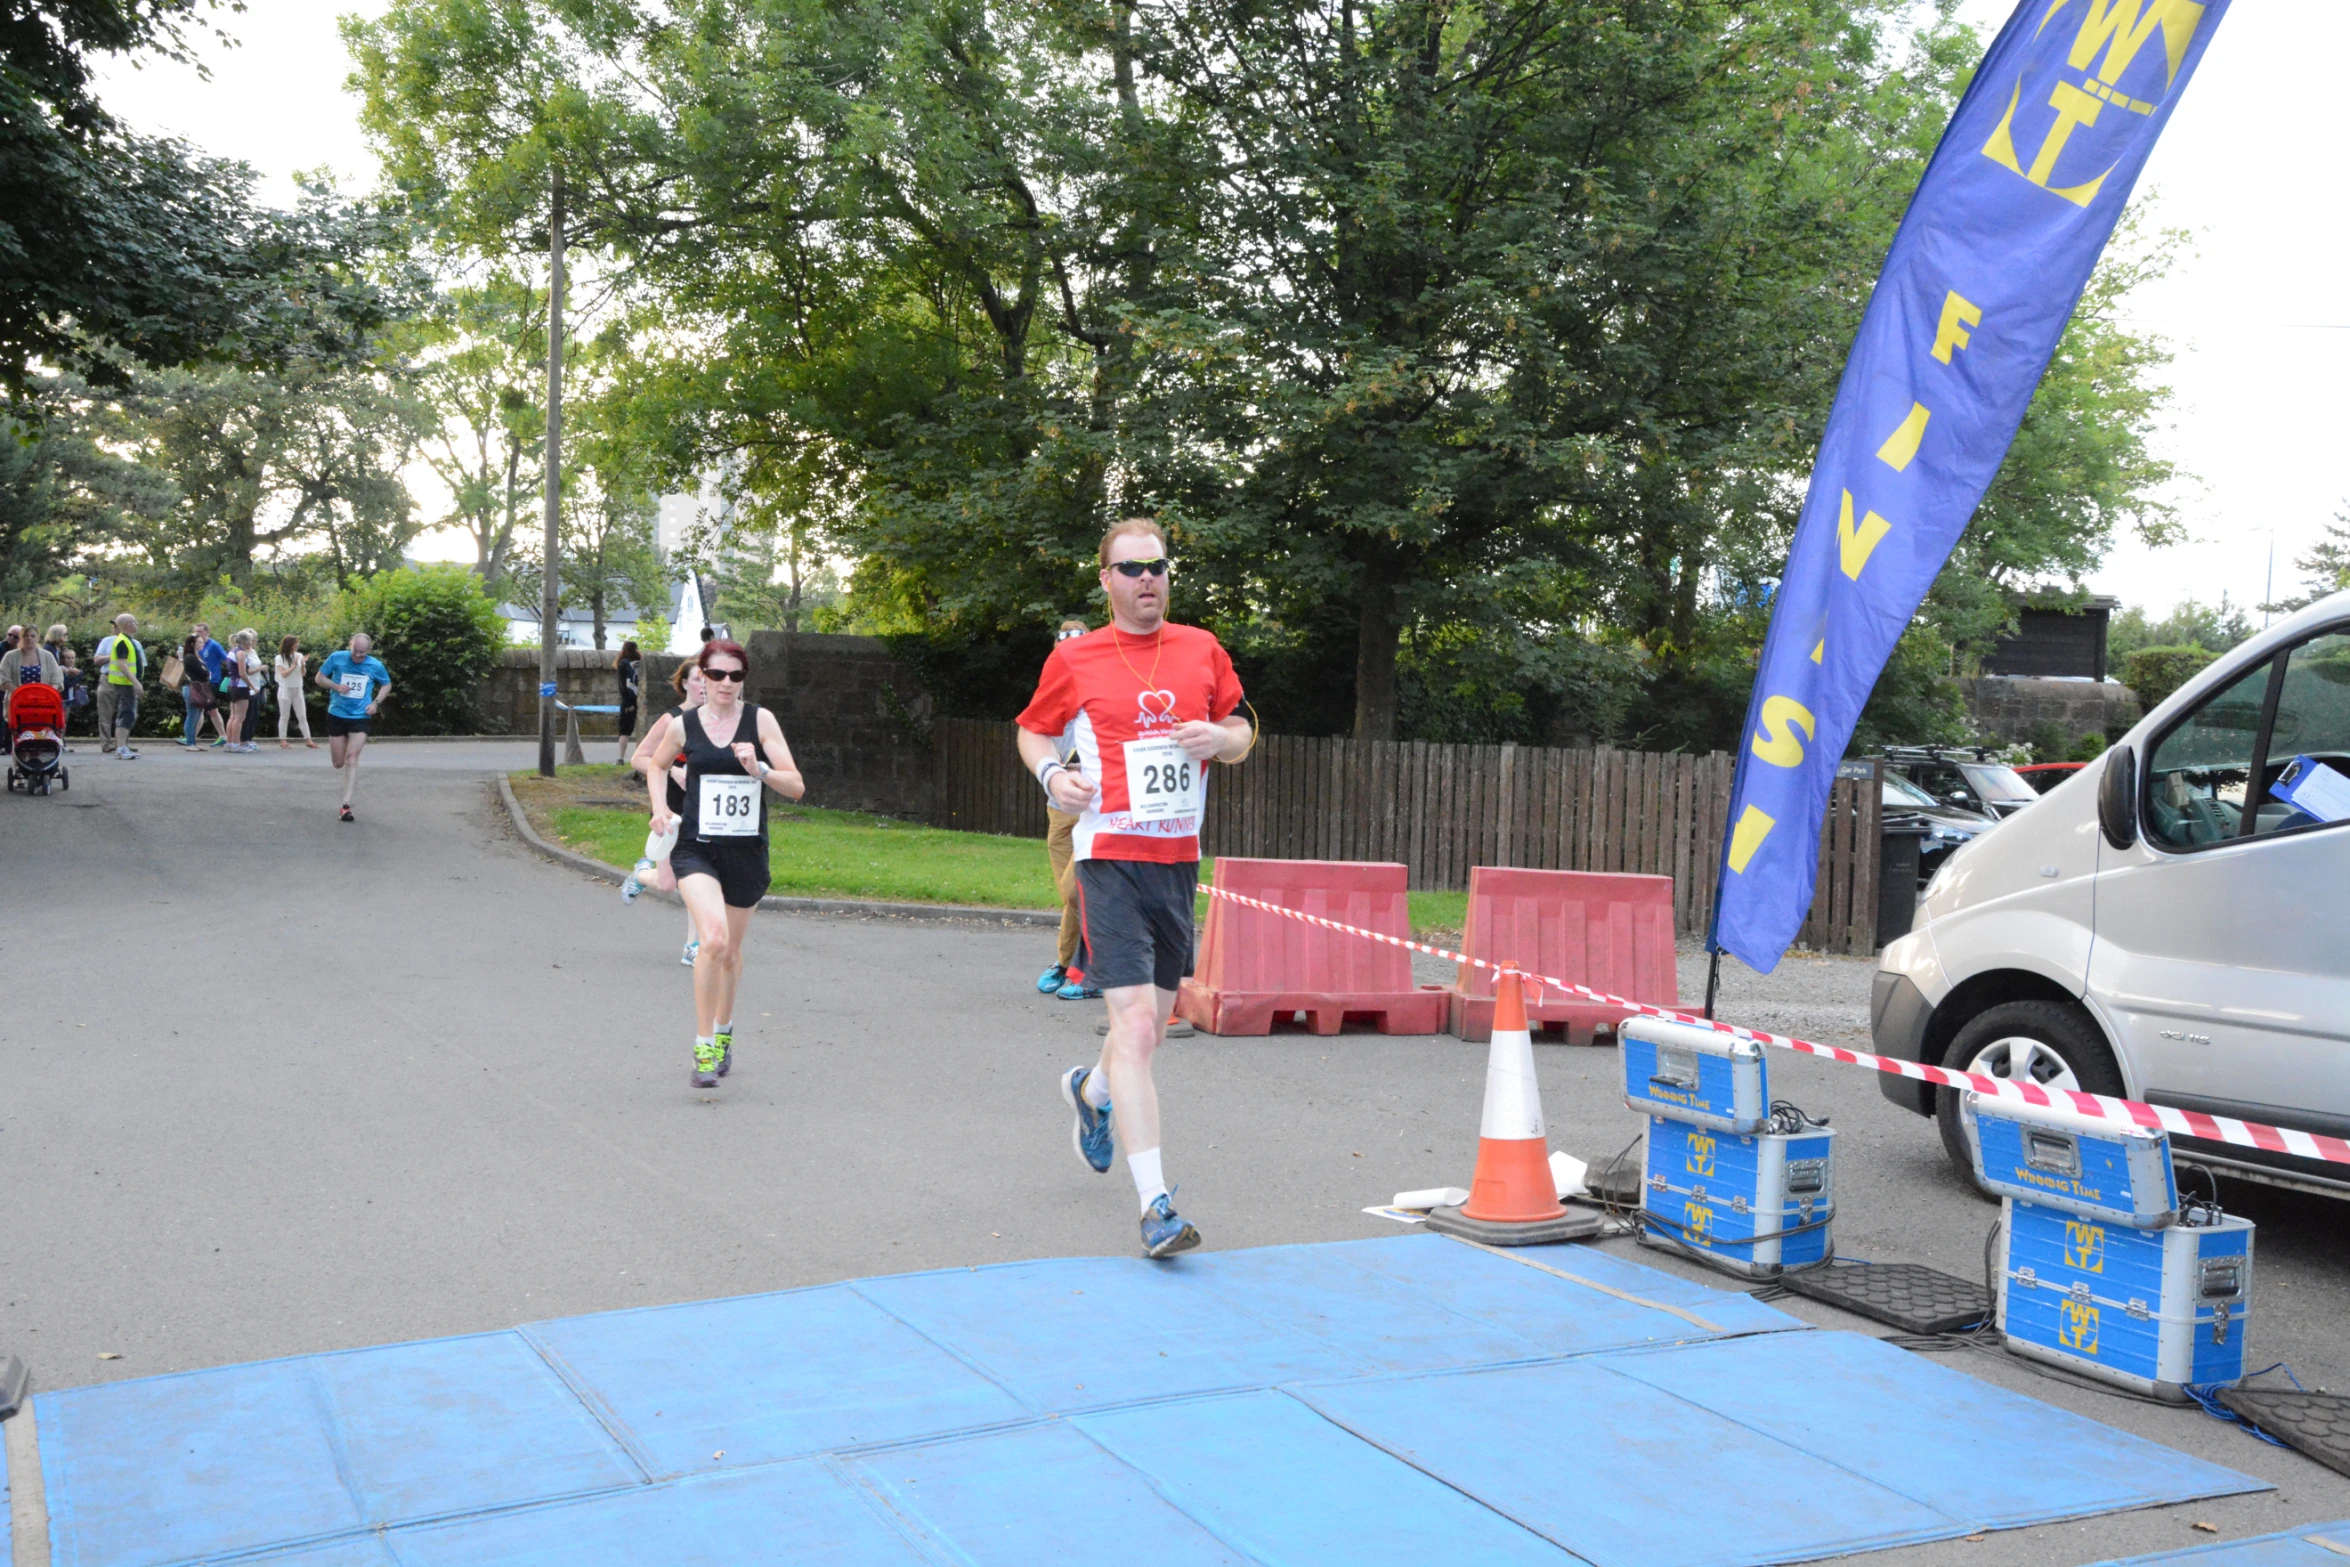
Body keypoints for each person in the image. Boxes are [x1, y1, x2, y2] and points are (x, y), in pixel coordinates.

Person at [1015, 518, 1252, 1258]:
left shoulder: (1201, 647)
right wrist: (1055, 775)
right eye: (1131, 568)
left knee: (1145, 1026)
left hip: (1177, 861)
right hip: (1108, 858)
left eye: (1157, 566)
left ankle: (1090, 1091)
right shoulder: (1078, 658)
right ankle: (1156, 1206)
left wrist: (1222, 740)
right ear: (1106, 580)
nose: (1147, 579)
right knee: (1140, 1031)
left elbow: (1243, 725)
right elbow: (1032, 730)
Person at [643, 639, 804, 1089]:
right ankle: (703, 1044)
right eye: (717, 675)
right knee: (711, 939)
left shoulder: (761, 721)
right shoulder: (684, 724)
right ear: (702, 678)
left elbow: (796, 787)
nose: (726, 684)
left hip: (746, 851)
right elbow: (655, 766)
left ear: (743, 679)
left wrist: (762, 771)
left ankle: (725, 1030)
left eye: (735, 676)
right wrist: (660, 808)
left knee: (731, 952)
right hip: (696, 847)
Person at [624, 660, 710, 967]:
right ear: (685, 684)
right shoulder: (671, 719)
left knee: (696, 876)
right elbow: (639, 759)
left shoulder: (715, 720)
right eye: (697, 680)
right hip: (669, 807)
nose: (704, 685)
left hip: (702, 811)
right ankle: (641, 874)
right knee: (669, 883)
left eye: (707, 680)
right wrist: (673, 770)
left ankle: (693, 945)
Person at [1036, 618, 1096, 1000]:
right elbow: (1038, 745)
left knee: (1078, 892)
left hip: (1093, 811)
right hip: (1058, 811)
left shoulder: (1103, 695)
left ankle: (1086, 971)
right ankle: (1069, 964)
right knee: (1070, 895)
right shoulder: (1050, 697)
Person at [316, 632, 392, 822]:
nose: (358, 656)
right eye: (355, 651)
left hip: (360, 716)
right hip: (337, 714)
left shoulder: (375, 665)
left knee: (351, 759)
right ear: (350, 646)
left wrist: (375, 703)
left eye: (362, 653)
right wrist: (335, 686)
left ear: (369, 650)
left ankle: (345, 804)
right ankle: (345, 799)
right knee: (338, 763)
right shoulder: (337, 658)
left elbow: (386, 685)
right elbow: (319, 678)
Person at [94, 614, 145, 759]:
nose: (137, 624)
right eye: (134, 622)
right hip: (124, 683)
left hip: (125, 682)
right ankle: (121, 748)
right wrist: (136, 683)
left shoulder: (128, 641)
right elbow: (122, 664)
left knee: (127, 713)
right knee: (125, 713)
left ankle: (122, 746)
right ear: (128, 625)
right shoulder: (123, 641)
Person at [192, 622, 234, 749]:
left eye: (200, 631)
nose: (197, 634)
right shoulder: (197, 646)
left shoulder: (214, 645)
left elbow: (226, 659)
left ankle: (192, 737)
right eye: (195, 631)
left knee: (206, 709)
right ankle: (221, 736)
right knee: (208, 710)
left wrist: (228, 677)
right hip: (201, 682)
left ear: (207, 632)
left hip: (211, 681)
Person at [218, 629, 262, 753]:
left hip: (232, 686)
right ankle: (237, 744)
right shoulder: (241, 653)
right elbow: (243, 673)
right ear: (245, 642)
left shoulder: (233, 651)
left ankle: (230, 743)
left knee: (233, 717)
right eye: (250, 641)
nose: (252, 643)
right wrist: (252, 686)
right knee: (239, 718)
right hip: (240, 687)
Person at [177, 632, 217, 747]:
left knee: (196, 715)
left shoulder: (197, 657)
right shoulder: (190, 658)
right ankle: (190, 743)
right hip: (192, 688)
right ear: (193, 643)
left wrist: (206, 672)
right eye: (200, 642)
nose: (202, 644)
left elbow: (205, 672)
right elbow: (204, 673)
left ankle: (192, 742)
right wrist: (206, 672)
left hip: (198, 688)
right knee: (192, 716)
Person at [275, 635, 316, 749]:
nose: (297, 645)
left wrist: (302, 664)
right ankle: (283, 740)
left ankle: (308, 740)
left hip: (298, 688)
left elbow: (303, 674)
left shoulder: (299, 655)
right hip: (285, 689)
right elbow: (283, 674)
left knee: (302, 715)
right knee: (284, 716)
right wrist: (293, 665)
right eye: (295, 643)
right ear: (289, 644)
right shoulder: (280, 657)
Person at [0, 625, 59, 695]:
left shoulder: (48, 656)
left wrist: (48, 692)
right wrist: (20, 693)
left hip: (42, 701)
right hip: (16, 700)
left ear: (38, 638)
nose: (29, 638)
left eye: (33, 636)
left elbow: (57, 678)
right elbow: (3, 677)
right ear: (21, 638)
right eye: (25, 636)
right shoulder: (10, 656)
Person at [614, 639, 641, 766]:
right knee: (643, 729)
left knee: (624, 730)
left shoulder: (622, 664)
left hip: (628, 700)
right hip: (641, 699)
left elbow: (622, 685)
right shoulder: (641, 662)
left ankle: (620, 758)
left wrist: (627, 702)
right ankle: (641, 757)